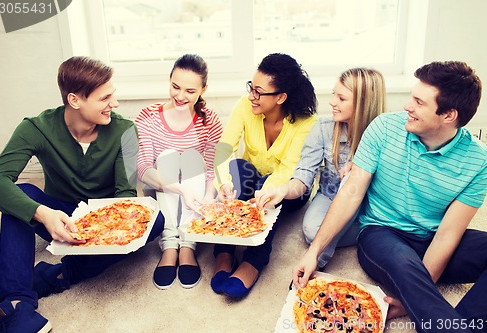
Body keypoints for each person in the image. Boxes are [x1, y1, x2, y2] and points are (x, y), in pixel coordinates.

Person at [287, 61, 487, 333]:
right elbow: (351, 194)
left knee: (421, 274)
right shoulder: (384, 127)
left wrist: (413, 298)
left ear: (449, 115)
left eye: (419, 102)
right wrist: (313, 253)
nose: (408, 106)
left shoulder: (481, 160)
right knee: (405, 265)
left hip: (432, 235)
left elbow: (447, 235)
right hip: (382, 233)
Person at [0, 56, 165, 333]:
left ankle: (59, 274)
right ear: (75, 100)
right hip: (59, 218)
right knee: (20, 193)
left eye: (114, 94)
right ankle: (16, 304)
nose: (115, 103)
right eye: (105, 97)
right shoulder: (35, 128)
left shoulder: (125, 130)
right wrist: (42, 213)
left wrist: (104, 229)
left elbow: (125, 195)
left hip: (106, 221)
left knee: (154, 219)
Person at [211, 53, 318, 298]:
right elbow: (225, 147)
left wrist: (264, 193)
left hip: (288, 190)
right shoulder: (245, 106)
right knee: (237, 168)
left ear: (281, 97)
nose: (251, 96)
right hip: (252, 179)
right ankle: (225, 251)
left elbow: (287, 171)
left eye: (259, 92)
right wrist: (224, 184)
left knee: (265, 185)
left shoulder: (307, 123)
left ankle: (254, 261)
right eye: (251, 87)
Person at [256, 68, 386, 268]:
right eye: (334, 94)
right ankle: (363, 232)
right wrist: (282, 190)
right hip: (329, 195)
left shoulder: (385, 135)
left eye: (341, 98)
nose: (332, 102)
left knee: (351, 179)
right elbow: (304, 176)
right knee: (311, 231)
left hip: (366, 205)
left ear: (363, 104)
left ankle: (315, 261)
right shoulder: (323, 128)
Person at [135, 54, 223, 290]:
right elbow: (143, 169)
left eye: (190, 91)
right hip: (161, 188)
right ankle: (170, 243)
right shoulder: (148, 116)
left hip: (194, 194)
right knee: (167, 157)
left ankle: (188, 245)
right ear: (169, 80)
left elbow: (211, 170)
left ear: (203, 90)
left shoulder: (211, 121)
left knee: (193, 159)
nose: (180, 96)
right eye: (175, 87)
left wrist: (206, 198)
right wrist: (180, 188)